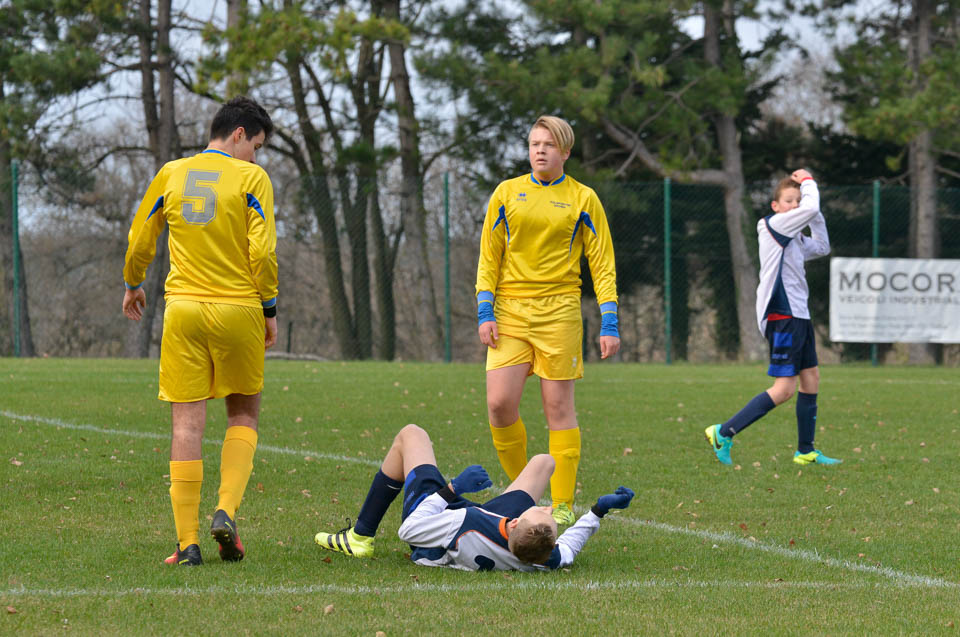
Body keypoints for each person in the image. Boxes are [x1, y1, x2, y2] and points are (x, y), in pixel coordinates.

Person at [121, 96, 278, 566]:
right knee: (243, 413)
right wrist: (269, 308)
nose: (256, 157)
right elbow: (262, 252)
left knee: (186, 424)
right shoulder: (251, 178)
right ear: (238, 134)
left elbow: (140, 236)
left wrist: (132, 283)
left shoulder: (172, 173)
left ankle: (187, 542)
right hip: (238, 309)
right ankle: (225, 510)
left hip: (183, 310)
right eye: (256, 146)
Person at [475, 115, 620, 526]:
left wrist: (609, 320)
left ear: (566, 152)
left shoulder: (583, 198)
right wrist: (485, 310)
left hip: (559, 313)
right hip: (510, 311)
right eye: (534, 144)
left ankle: (561, 504)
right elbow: (489, 256)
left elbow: (602, 262)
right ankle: (523, 492)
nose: (539, 150)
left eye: (549, 144)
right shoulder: (506, 193)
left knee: (558, 409)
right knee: (499, 405)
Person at [313, 424, 634, 571]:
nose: (548, 508)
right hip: (486, 530)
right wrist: (597, 511)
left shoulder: (465, 520)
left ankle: (359, 537)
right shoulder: (542, 557)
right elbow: (568, 548)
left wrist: (452, 489)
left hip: (440, 525)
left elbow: (408, 531)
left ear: (516, 521)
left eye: (541, 511)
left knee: (412, 434)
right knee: (544, 463)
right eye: (549, 513)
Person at [705, 169, 840, 467]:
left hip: (799, 314)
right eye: (789, 201)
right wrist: (809, 183)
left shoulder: (794, 237)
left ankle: (805, 451)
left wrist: (813, 213)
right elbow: (810, 209)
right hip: (782, 314)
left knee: (811, 378)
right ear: (775, 206)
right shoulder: (773, 225)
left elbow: (822, 246)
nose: (795, 206)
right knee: (784, 389)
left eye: (798, 201)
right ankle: (723, 432)